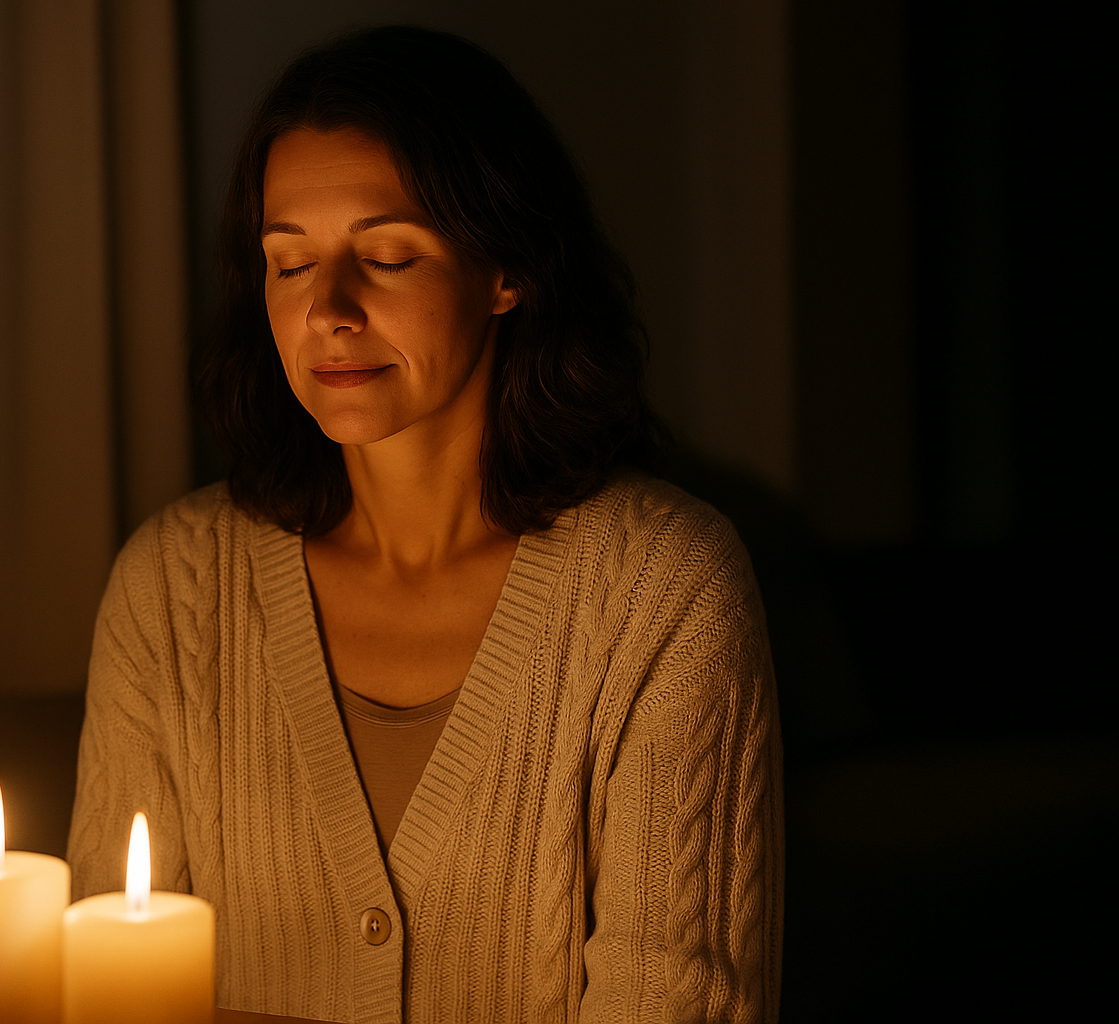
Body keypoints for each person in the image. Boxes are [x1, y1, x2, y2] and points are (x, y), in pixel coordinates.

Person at [68, 25, 782, 1024]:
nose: (330, 309)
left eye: (389, 254)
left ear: (506, 270)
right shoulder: (175, 588)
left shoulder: (663, 589)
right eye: (288, 263)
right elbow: (108, 989)